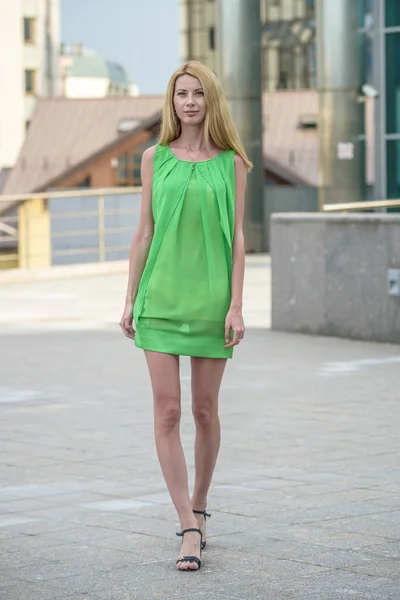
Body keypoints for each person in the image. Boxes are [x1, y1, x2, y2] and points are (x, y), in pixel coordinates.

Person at [119, 60, 252, 572]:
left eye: (198, 93)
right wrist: (131, 297)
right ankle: (188, 525)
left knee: (203, 412)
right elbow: (143, 233)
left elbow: (239, 237)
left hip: (212, 302)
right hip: (160, 300)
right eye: (181, 94)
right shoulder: (155, 159)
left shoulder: (233, 162)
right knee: (168, 412)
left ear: (210, 100)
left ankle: (200, 503)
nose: (189, 102)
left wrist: (236, 304)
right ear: (172, 102)